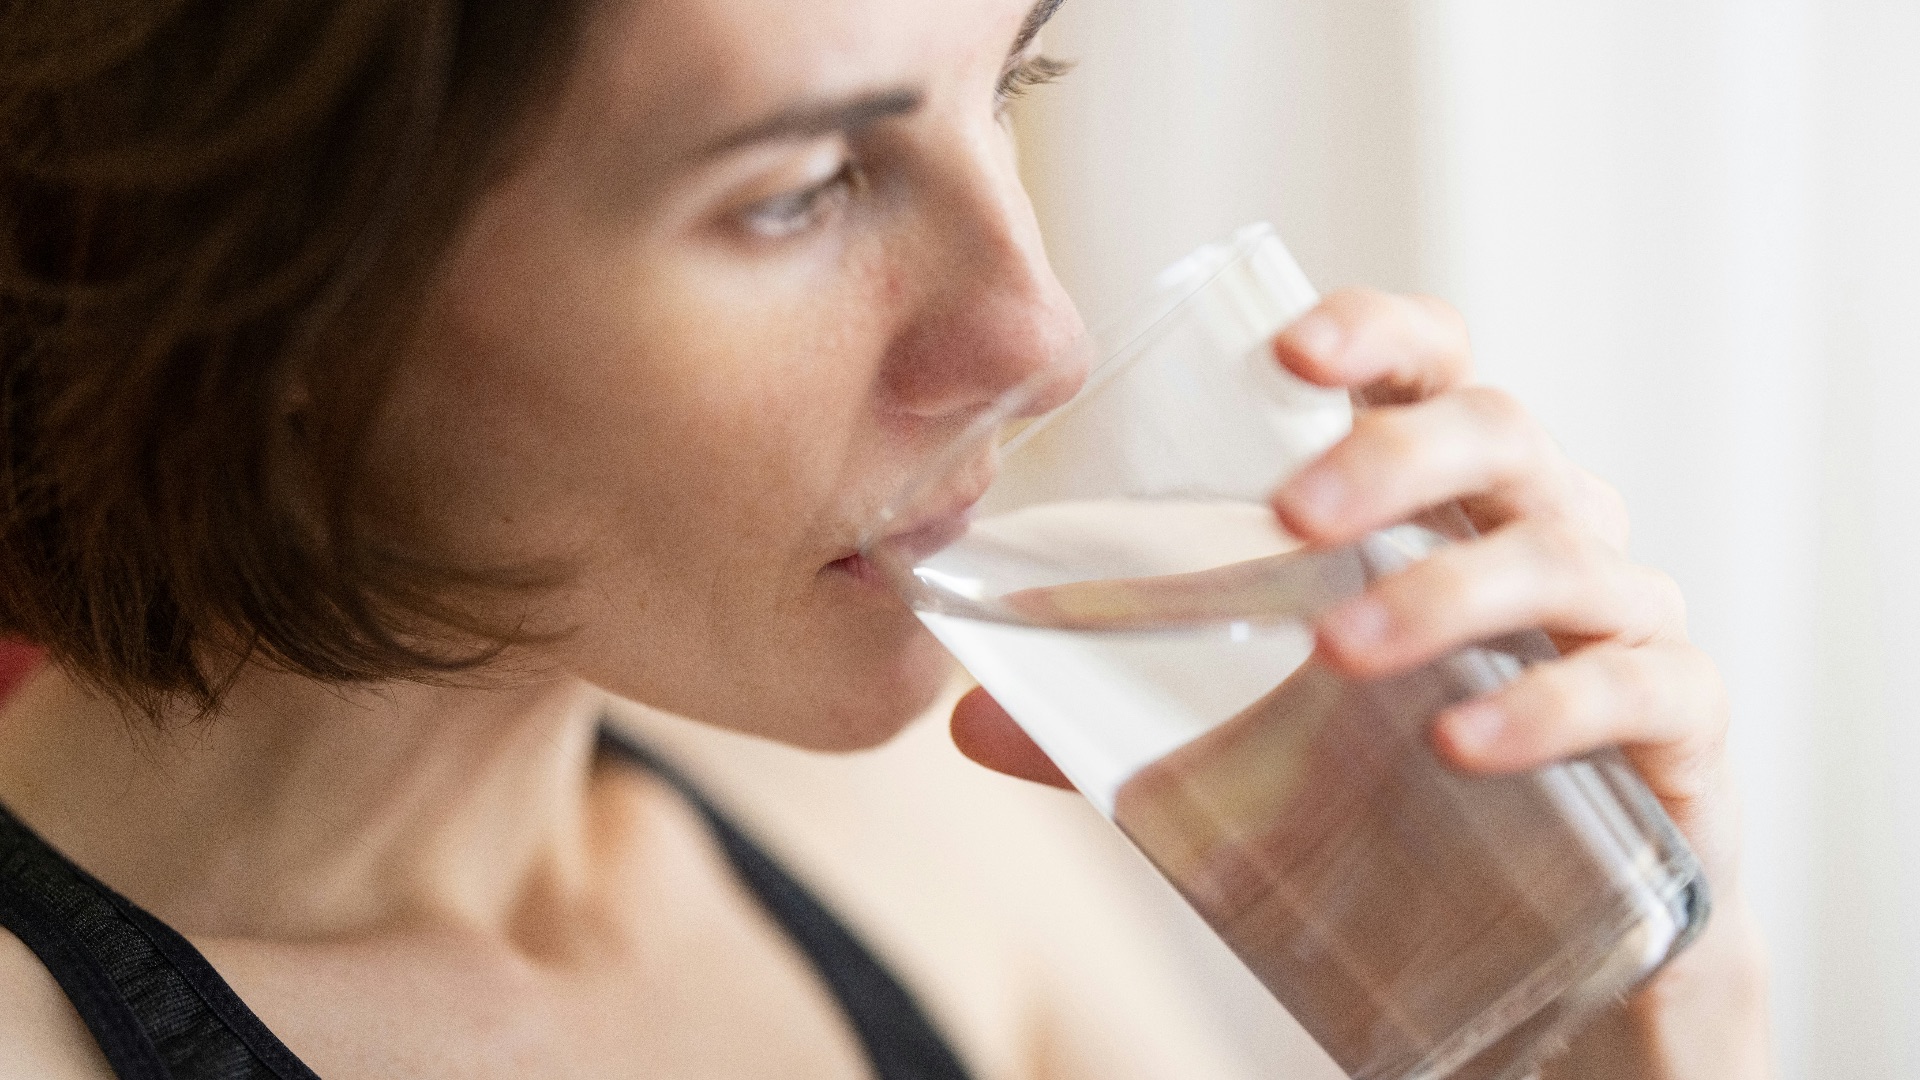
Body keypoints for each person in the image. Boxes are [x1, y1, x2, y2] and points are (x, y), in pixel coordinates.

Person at [0, 0, 1771, 1077]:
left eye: (1009, 79)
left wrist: (1630, 1025)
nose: (1041, 334)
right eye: (796, 191)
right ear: (255, 290)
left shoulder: (904, 828)